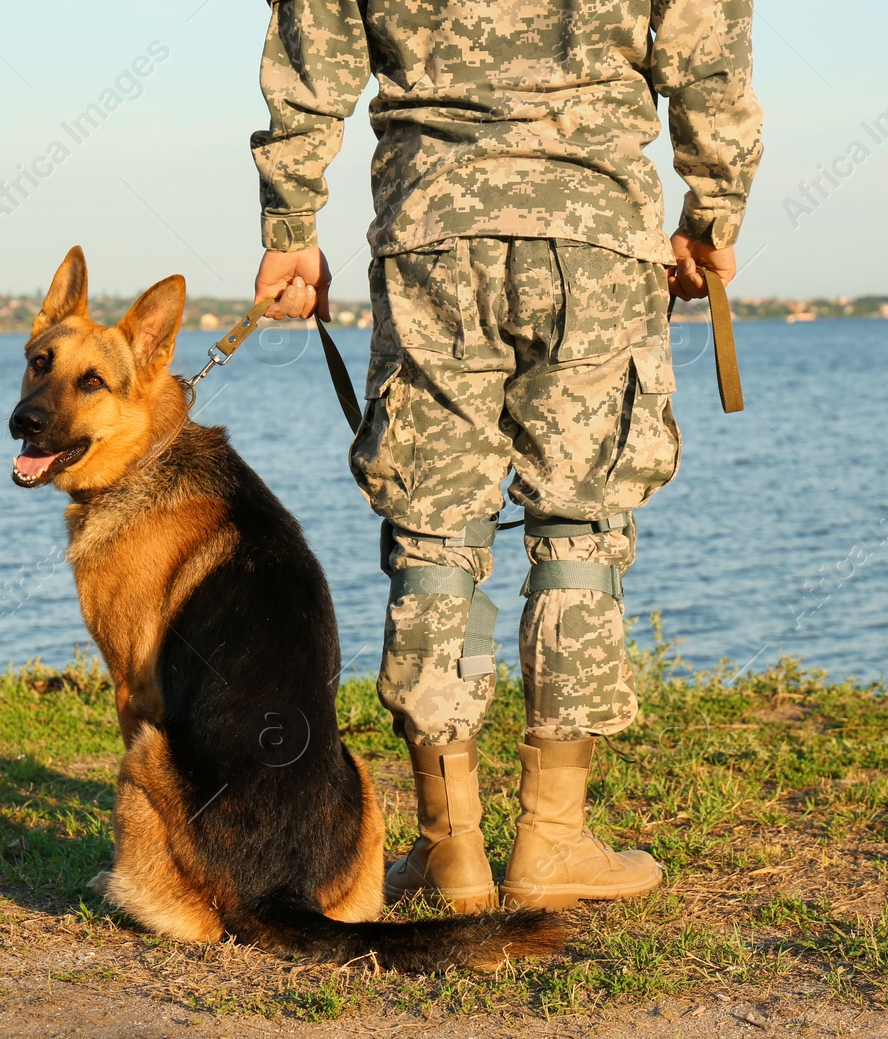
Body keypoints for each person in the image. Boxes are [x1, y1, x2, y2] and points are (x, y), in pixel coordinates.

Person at [250, 0, 762, 913]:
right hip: (595, 227)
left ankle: (452, 852)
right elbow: (708, 56)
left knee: (433, 532)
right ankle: (553, 842)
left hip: (431, 231)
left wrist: (290, 230)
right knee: (580, 521)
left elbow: (311, 53)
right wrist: (712, 215)